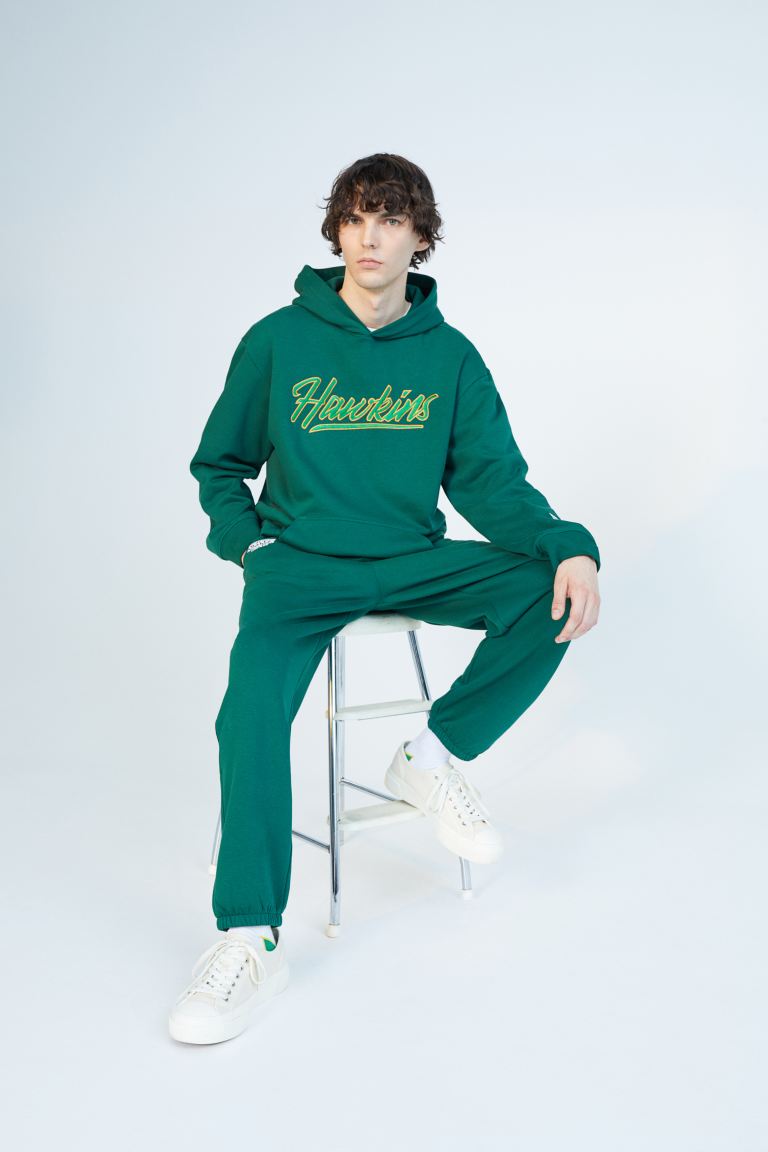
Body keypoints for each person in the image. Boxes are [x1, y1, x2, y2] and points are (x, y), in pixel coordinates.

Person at [168, 152, 601, 1045]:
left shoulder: (450, 356)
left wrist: (569, 545)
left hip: (410, 559)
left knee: (548, 593)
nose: (371, 236)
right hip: (300, 567)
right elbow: (219, 466)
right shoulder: (277, 340)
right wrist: (250, 545)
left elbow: (493, 482)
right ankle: (249, 938)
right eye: (356, 218)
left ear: (419, 237)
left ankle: (430, 756)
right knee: (249, 711)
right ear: (337, 230)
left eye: (391, 219)